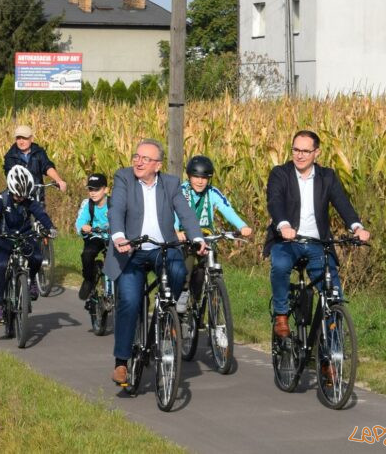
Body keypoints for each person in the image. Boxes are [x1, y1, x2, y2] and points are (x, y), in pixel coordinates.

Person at [105, 139, 207, 385]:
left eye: (145, 159)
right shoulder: (124, 178)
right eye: (136, 157)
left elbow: (185, 212)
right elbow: (116, 208)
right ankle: (122, 361)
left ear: (158, 165)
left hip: (163, 247)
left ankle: (165, 310)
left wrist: (196, 237)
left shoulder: (170, 184)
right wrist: (119, 236)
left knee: (178, 270)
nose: (138, 162)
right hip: (131, 249)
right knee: (129, 301)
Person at [265, 130, 370, 340]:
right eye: (296, 150)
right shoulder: (280, 174)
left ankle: (331, 357)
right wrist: (284, 225)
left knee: (334, 296)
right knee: (280, 265)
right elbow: (274, 202)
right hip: (288, 241)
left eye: (306, 151)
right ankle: (281, 314)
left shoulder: (327, 177)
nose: (300, 155)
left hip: (318, 243)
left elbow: (342, 203)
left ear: (316, 153)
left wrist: (357, 227)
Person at [174, 155, 253, 313]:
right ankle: (183, 292)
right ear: (189, 176)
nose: (200, 181)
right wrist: (176, 231)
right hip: (186, 239)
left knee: (207, 269)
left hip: (207, 237)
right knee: (186, 266)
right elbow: (174, 212)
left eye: (204, 178)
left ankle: (206, 301)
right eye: (196, 177)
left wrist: (242, 225)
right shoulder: (181, 191)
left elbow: (227, 209)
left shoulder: (212, 192)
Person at [0, 166, 55, 323]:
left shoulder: (29, 201)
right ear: (10, 188)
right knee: (0, 267)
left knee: (37, 257)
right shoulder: (2, 199)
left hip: (25, 236)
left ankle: (31, 281)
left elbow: (41, 214)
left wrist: (50, 227)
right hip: (4, 238)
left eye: (23, 195)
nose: (20, 198)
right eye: (17, 195)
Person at [2, 125, 67, 201]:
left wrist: (58, 180)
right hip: (19, 197)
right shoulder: (10, 156)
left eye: (24, 138)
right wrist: (20, 190)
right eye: (18, 138)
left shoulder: (39, 152)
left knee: (40, 212)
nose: (21, 142)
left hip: (37, 195)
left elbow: (46, 166)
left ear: (31, 139)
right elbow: (11, 174)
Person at [75, 173, 110, 301]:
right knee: (87, 254)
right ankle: (89, 279)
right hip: (96, 235)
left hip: (113, 237)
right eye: (91, 189)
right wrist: (83, 227)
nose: (93, 193)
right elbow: (80, 221)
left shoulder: (113, 203)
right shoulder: (88, 204)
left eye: (97, 189)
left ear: (106, 189)